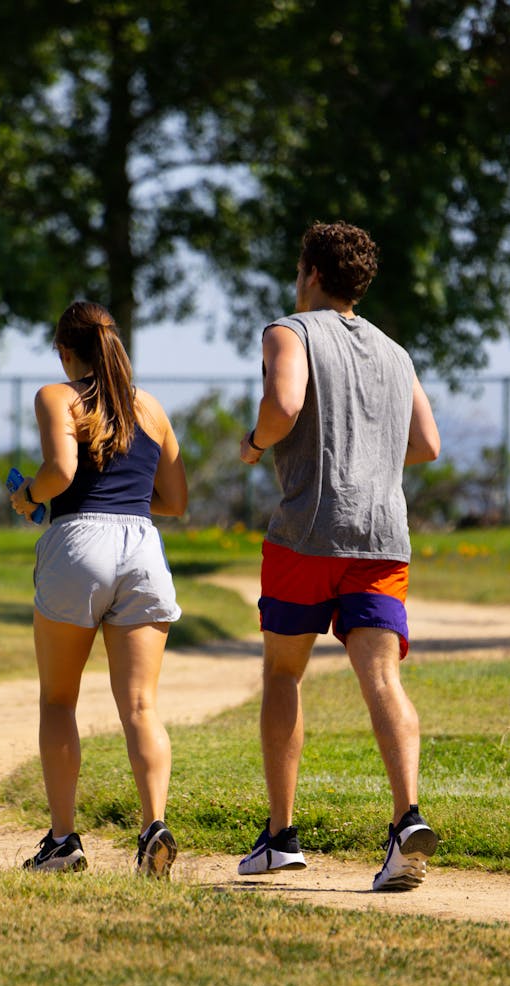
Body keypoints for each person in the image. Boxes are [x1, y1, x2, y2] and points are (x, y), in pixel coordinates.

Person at [237, 220, 442, 892]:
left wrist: (258, 441)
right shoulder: (396, 352)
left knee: (283, 675)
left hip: (307, 533)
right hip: (383, 537)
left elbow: (284, 403)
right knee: (382, 678)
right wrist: (370, 457)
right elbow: (427, 443)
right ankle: (406, 816)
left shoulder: (288, 331)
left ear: (312, 274)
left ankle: (281, 835)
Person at [9, 299, 188, 877]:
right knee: (140, 705)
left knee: (59, 699)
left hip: (78, 540)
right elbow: (177, 502)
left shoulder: (56, 396)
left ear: (66, 351)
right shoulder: (150, 408)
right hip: (142, 545)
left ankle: (63, 841)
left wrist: (28, 497)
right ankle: (153, 827)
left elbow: (61, 472)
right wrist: (130, 505)